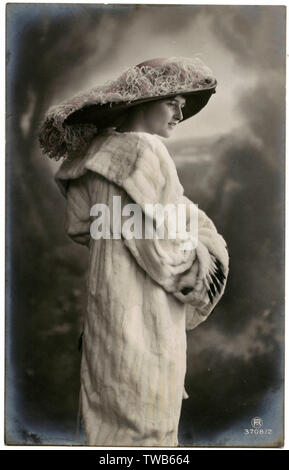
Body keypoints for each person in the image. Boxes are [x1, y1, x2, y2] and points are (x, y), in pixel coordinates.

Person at [39, 57, 229, 446]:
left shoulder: (91, 158)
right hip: (146, 324)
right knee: (147, 433)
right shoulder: (148, 153)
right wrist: (207, 251)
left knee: (106, 427)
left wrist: (123, 241)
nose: (180, 112)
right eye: (171, 102)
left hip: (106, 316)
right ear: (142, 102)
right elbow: (166, 255)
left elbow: (79, 226)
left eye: (182, 105)